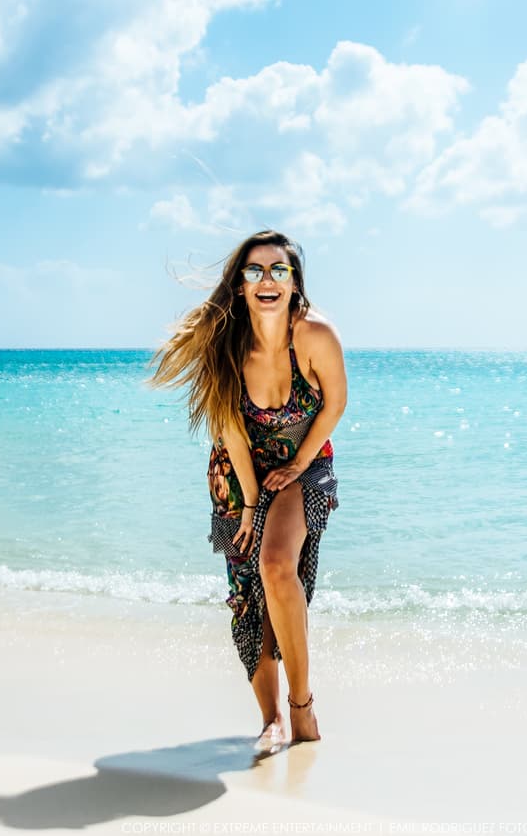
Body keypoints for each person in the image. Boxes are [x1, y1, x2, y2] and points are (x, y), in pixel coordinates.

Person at [149, 230, 346, 751]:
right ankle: (271, 719)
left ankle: (303, 709)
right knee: (247, 596)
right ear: (238, 286)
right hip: (238, 472)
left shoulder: (315, 336)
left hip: (305, 464)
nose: (266, 280)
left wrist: (300, 462)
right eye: (254, 270)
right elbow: (232, 431)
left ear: (294, 282)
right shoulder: (227, 348)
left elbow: (334, 407)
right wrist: (251, 505)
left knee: (278, 565)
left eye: (278, 270)